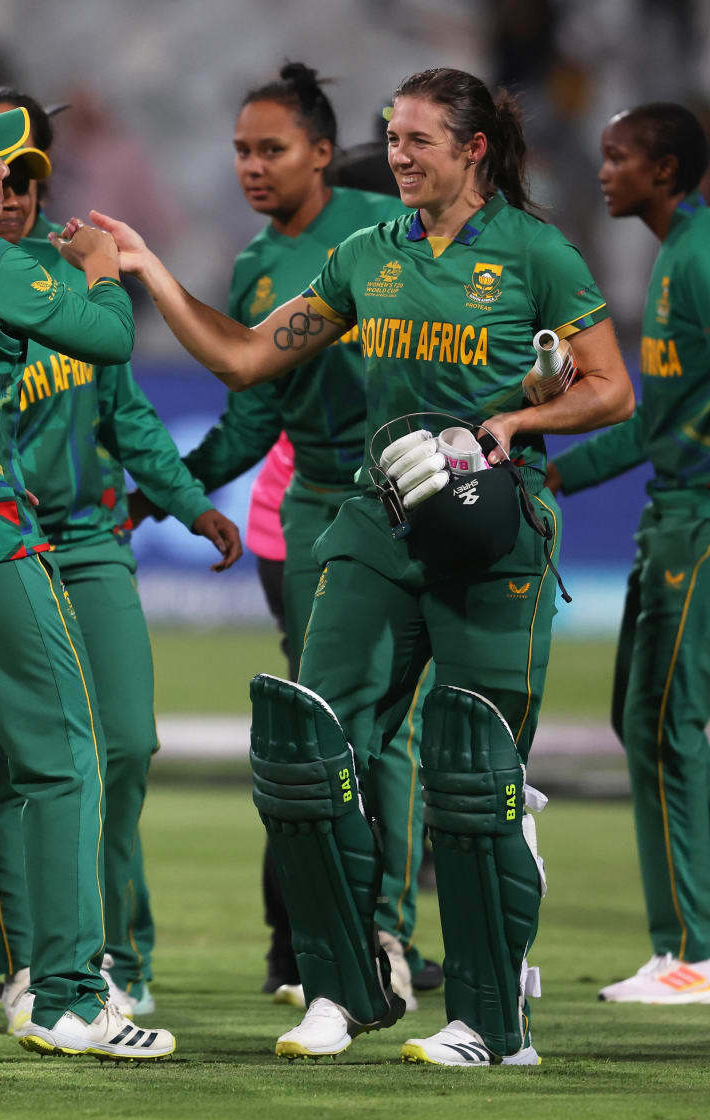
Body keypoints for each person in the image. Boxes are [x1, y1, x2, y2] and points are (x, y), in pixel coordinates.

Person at [72, 65, 634, 1065]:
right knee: (306, 744)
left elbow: (609, 390)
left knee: (473, 768)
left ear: (471, 149)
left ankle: (491, 1021)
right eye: (394, 136)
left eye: (419, 139)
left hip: (493, 534)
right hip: (377, 527)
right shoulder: (367, 257)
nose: (401, 155)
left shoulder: (537, 254)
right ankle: (343, 987)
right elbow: (246, 360)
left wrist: (513, 419)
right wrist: (150, 267)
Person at [0, 82, 241, 1033]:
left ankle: (103, 954)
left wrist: (185, 502)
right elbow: (101, 334)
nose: (14, 190)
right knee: (22, 764)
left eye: (27, 175)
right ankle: (47, 976)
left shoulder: (3, 275)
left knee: (114, 747)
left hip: (66, 544)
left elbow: (126, 412)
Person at [170, 62, 436, 1009]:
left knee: (390, 733)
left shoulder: (382, 242)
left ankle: (385, 932)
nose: (252, 166)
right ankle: (325, 937)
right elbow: (253, 419)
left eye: (270, 149)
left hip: (407, 504)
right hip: (312, 513)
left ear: (323, 154)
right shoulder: (252, 267)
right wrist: (168, 489)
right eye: (241, 150)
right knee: (330, 733)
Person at [548, 102, 710, 1004]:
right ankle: (678, 944)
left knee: (666, 725)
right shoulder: (674, 256)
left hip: (700, 518)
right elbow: (661, 416)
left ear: (666, 168)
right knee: (639, 720)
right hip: (672, 511)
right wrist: (563, 476)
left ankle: (694, 951)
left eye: (618, 158)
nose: (604, 171)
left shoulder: (702, 255)